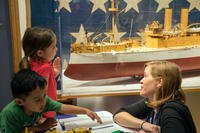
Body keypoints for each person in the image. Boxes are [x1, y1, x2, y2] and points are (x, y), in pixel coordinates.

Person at [0, 69, 102, 133]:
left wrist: (85, 111)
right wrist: (40, 127)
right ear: (20, 102)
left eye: (45, 95)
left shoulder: (43, 100)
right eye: (37, 100)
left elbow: (62, 108)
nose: (43, 102)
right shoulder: (11, 113)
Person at [113, 61, 196, 133]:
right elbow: (118, 116)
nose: (141, 81)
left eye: (145, 76)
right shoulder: (152, 103)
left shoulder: (171, 111)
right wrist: (144, 125)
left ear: (159, 82)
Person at [19, 27, 60, 118]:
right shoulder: (45, 68)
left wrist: (54, 73)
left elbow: (41, 84)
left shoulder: (33, 63)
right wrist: (41, 116)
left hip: (38, 112)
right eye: (53, 47)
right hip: (45, 112)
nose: (56, 49)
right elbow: (41, 93)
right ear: (40, 53)